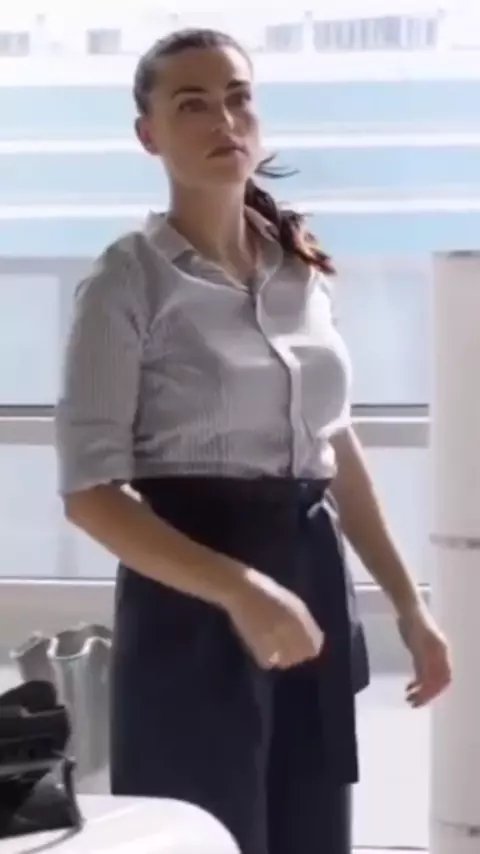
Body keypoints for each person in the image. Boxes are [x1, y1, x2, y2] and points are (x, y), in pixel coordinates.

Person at [55, 27, 452, 854]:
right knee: (204, 834)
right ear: (149, 135)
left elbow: (334, 449)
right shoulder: (125, 280)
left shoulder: (298, 268)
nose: (224, 119)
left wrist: (410, 606)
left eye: (238, 98)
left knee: (314, 834)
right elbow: (90, 495)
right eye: (192, 104)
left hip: (312, 582)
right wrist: (241, 590)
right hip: (189, 603)